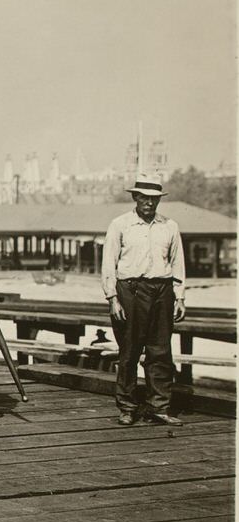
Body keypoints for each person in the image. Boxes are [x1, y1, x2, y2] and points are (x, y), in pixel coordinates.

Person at [101, 176, 186, 426]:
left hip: (162, 289)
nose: (149, 202)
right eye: (144, 197)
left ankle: (158, 406)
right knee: (129, 350)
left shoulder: (169, 226)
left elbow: (177, 262)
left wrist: (179, 297)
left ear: (159, 199)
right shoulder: (120, 225)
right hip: (131, 290)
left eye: (154, 198)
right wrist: (112, 298)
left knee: (160, 350)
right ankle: (127, 407)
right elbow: (109, 264)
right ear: (135, 198)